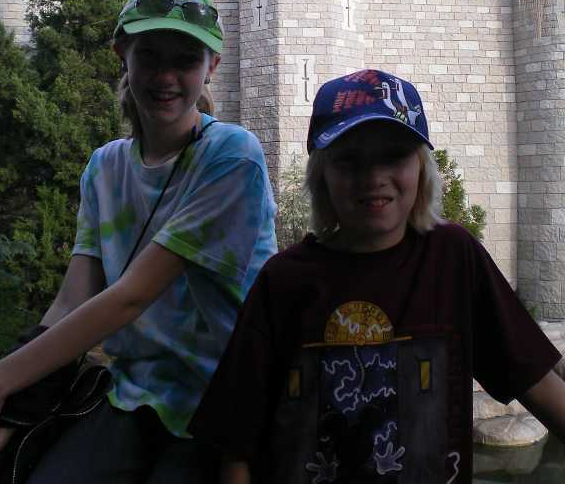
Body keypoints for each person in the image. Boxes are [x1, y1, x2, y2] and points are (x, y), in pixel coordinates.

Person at [0, 0, 277, 484]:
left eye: (186, 59)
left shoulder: (232, 156)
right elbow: (70, 305)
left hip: (223, 399)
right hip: (133, 394)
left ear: (211, 67)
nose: (166, 76)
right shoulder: (104, 168)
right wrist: (12, 413)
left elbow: (131, 297)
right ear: (122, 56)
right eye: (150, 55)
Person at [190, 69, 565, 484]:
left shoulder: (453, 257)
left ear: (421, 168)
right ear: (322, 176)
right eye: (349, 159)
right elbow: (237, 447)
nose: (373, 177)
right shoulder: (283, 281)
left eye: (393, 155)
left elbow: (537, 383)